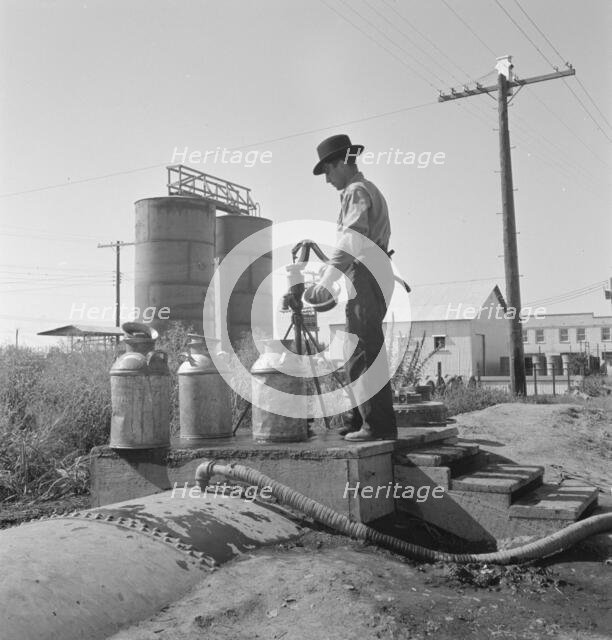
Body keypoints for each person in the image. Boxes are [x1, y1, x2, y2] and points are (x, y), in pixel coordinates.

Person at [308, 134, 397, 442]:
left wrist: (327, 279)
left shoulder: (356, 190)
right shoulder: (363, 190)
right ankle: (358, 418)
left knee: (363, 348)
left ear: (341, 164)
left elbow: (353, 238)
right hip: (370, 271)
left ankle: (377, 426)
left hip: (367, 272)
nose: (328, 179)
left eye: (328, 171)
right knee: (357, 346)